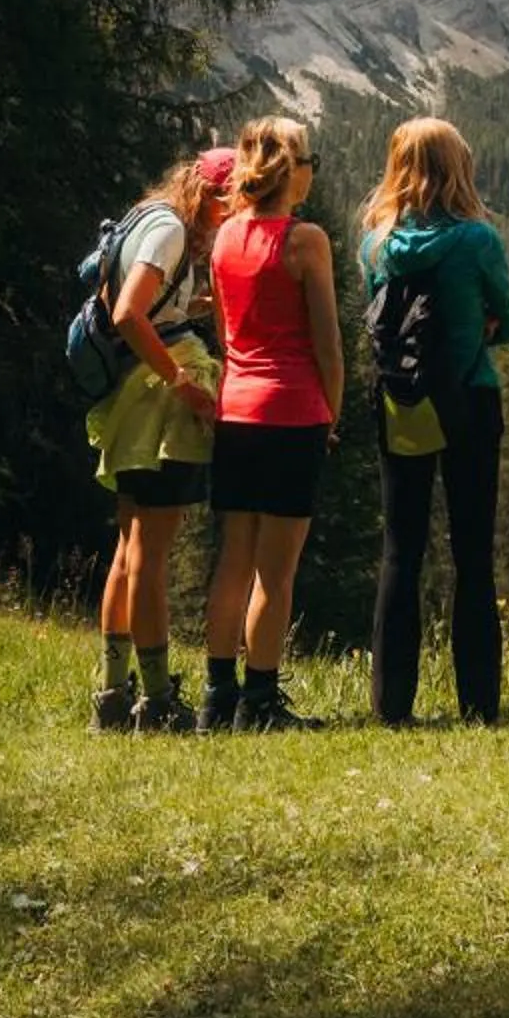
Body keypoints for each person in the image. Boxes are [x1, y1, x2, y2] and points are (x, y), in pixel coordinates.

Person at [359, 117, 509, 727]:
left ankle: (392, 704)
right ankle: (478, 704)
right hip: (469, 398)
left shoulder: (375, 243)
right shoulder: (477, 240)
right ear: (458, 169)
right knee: (472, 552)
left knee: (401, 550)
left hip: (401, 402)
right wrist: (480, 326)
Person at [201, 115, 344, 731]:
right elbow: (328, 345)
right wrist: (330, 413)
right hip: (292, 410)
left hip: (235, 408)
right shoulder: (306, 241)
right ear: (294, 171)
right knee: (276, 572)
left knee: (234, 557)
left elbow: (225, 333)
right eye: (311, 161)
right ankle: (259, 701)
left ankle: (217, 696)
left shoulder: (225, 237)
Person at [87, 146, 237, 731]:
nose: (232, 219)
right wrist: (183, 384)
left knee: (129, 551)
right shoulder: (171, 231)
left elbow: (143, 304)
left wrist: (195, 302)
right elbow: (128, 313)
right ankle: (156, 700)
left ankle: (112, 693)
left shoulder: (149, 216)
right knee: (150, 556)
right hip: (159, 406)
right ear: (212, 195)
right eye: (231, 205)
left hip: (130, 401)